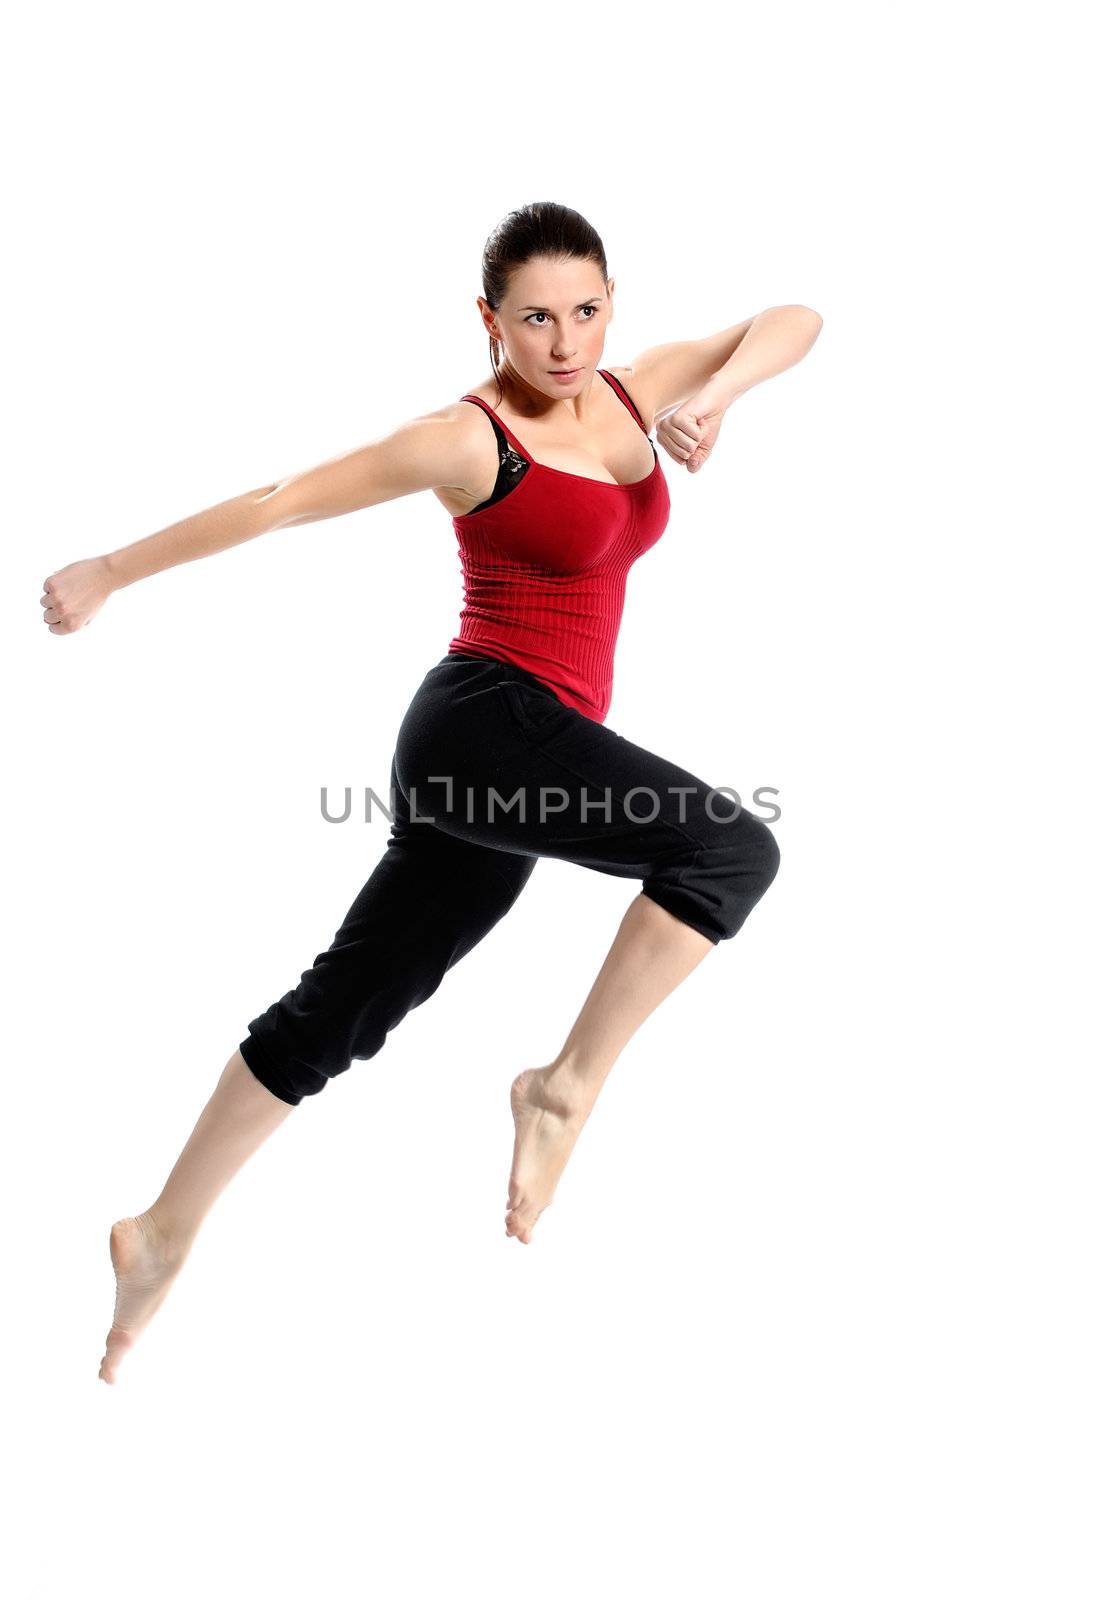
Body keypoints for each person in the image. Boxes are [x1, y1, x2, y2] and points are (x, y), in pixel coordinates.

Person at [39, 201, 822, 1383]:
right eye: (534, 319)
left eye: (587, 311)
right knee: (725, 852)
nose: (564, 343)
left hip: (520, 751)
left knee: (350, 1000)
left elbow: (792, 316)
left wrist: (716, 398)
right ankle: (559, 1091)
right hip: (482, 727)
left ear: (613, 303)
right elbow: (278, 498)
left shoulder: (628, 393)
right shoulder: (468, 439)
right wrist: (108, 571)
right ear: (489, 320)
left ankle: (158, 1233)